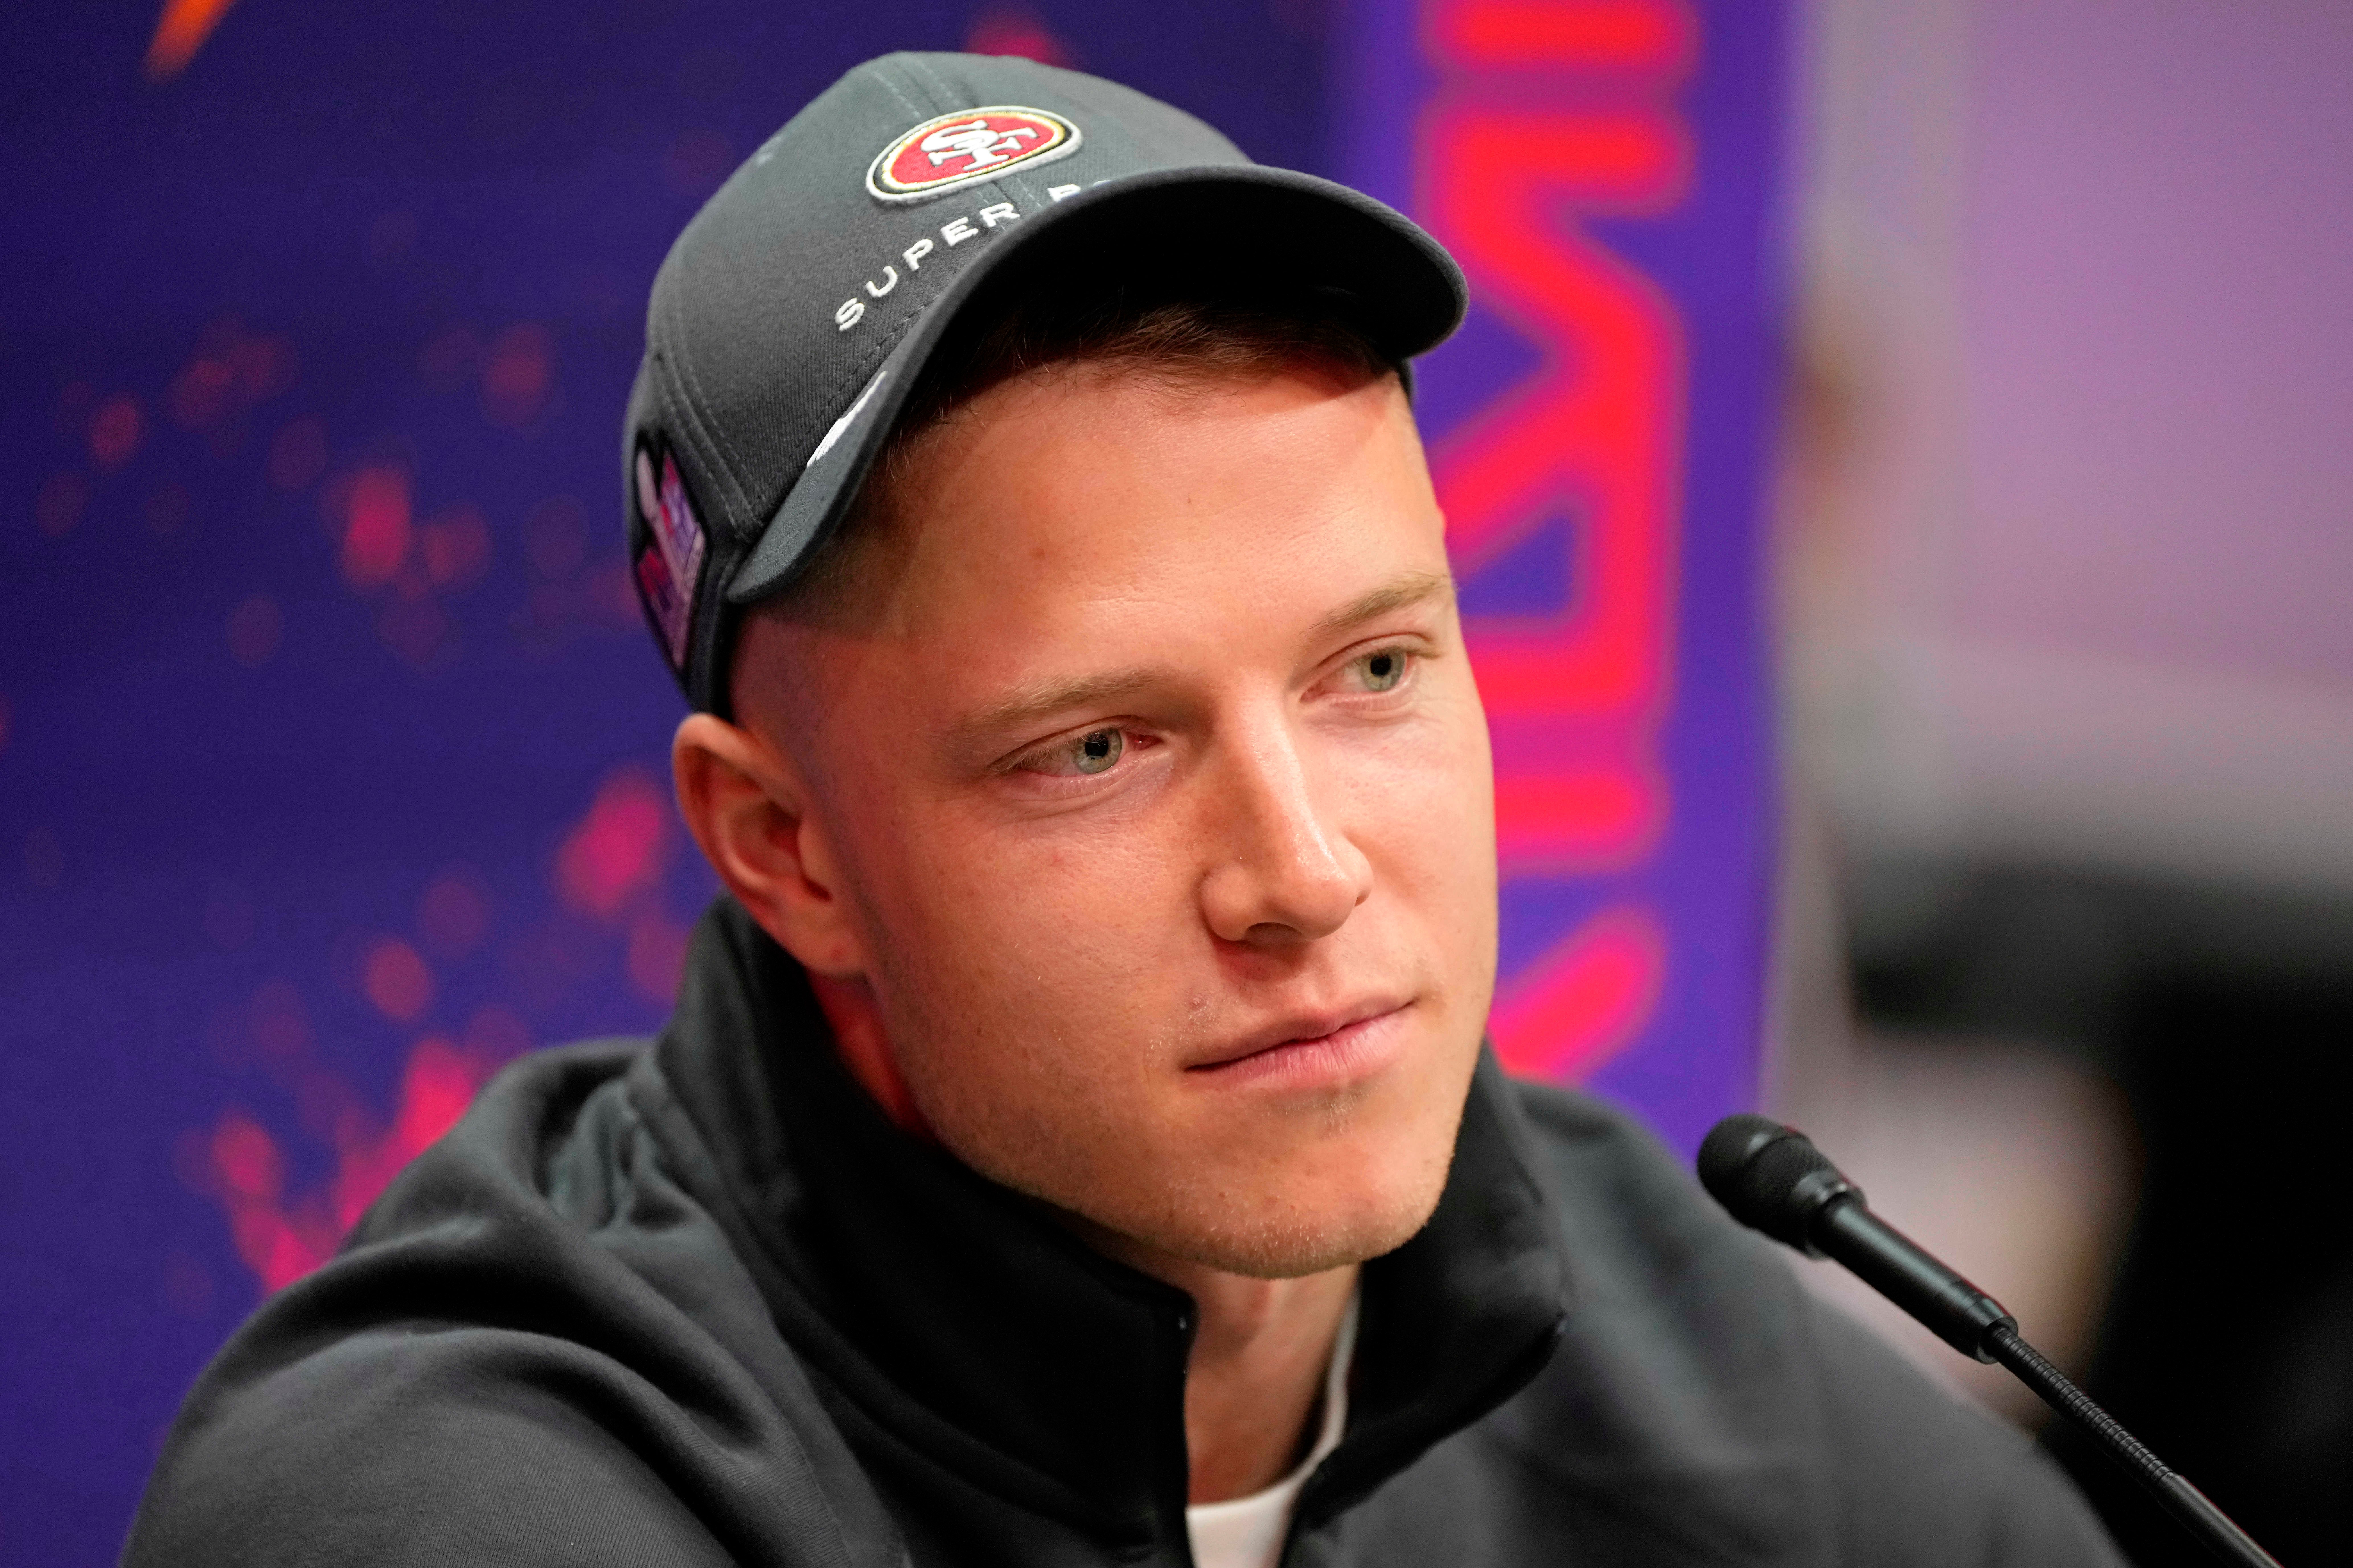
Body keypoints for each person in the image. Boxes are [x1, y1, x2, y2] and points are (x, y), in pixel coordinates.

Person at [124, 51, 2125, 1568]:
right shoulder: (456, 1494)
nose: (1306, 871)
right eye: (1096, 748)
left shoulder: (1720, 1388)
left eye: (1374, 670)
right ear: (784, 849)